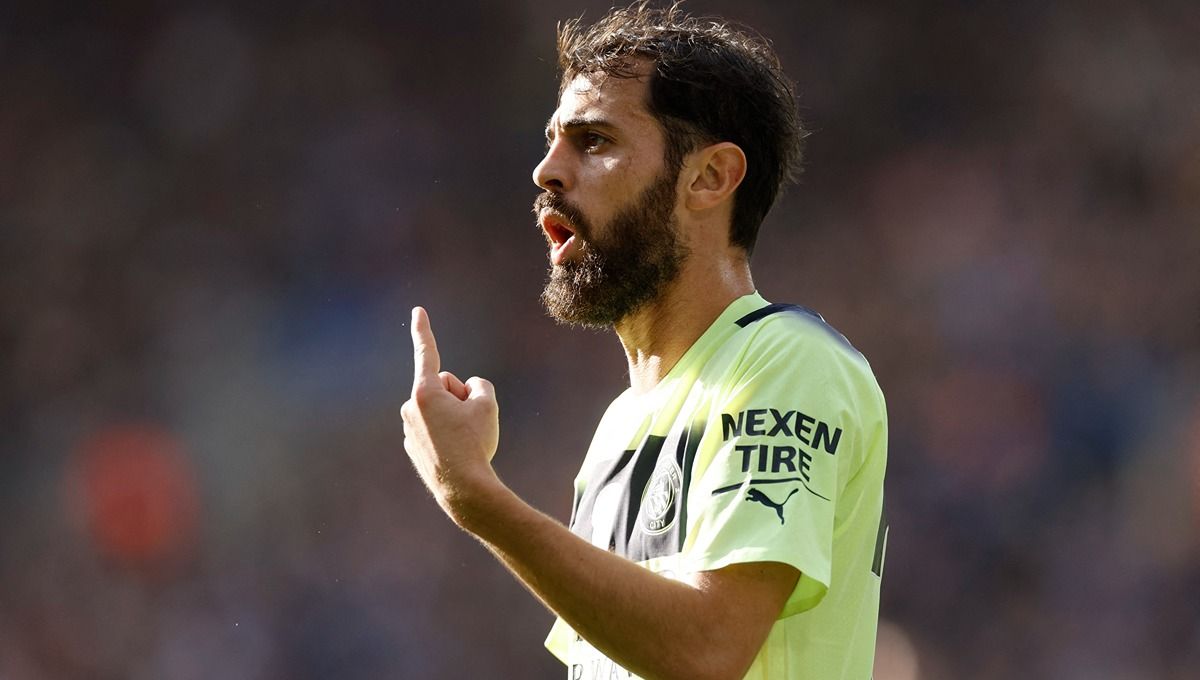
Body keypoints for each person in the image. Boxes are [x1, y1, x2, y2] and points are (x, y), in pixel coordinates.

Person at [401, 3, 888, 679]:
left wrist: (477, 497)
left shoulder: (789, 360)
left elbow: (707, 648)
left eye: (594, 141)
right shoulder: (621, 426)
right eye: (552, 140)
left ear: (710, 177)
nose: (547, 170)